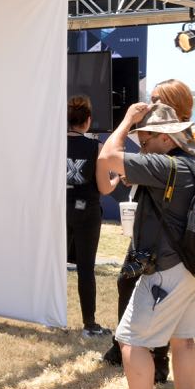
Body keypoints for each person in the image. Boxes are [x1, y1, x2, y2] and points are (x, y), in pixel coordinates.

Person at [97, 102, 195, 389]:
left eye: (145, 138)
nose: (141, 145)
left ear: (165, 138)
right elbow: (110, 180)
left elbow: (106, 158)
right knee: (183, 339)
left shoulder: (162, 165)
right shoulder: (193, 164)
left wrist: (127, 120)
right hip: (193, 266)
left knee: (131, 339)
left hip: (166, 268)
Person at [104, 78, 192, 381]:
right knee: (128, 285)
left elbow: (109, 159)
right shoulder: (173, 145)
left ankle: (151, 359)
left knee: (154, 301)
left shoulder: (174, 145)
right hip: (154, 227)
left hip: (162, 236)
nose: (150, 103)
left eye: (157, 99)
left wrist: (127, 121)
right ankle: (130, 351)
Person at [66, 95, 120, 337]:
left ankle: (51, 316)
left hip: (60, 210)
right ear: (88, 121)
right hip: (86, 212)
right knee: (86, 268)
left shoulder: (54, 145)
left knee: (55, 265)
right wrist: (117, 178)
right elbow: (104, 187)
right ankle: (89, 324)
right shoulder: (96, 148)